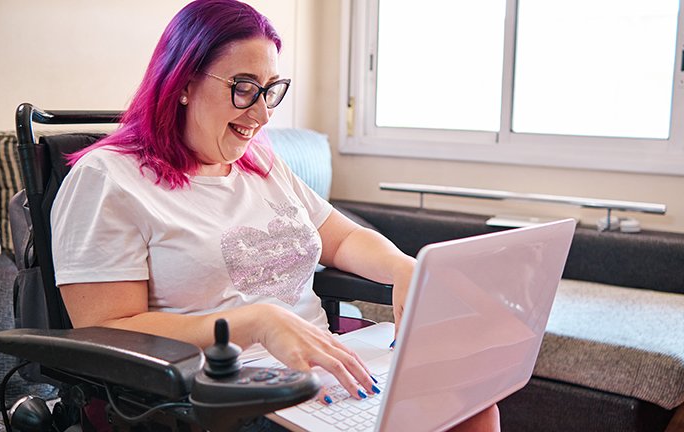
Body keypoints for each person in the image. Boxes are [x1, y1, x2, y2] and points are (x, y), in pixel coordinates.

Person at [50, 1, 500, 430]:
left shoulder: (261, 164)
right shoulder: (108, 178)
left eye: (271, 91)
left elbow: (341, 239)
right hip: (216, 396)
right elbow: (109, 330)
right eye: (244, 88)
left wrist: (404, 268)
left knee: (473, 405)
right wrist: (257, 323)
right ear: (183, 83)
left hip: (321, 367)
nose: (263, 114)